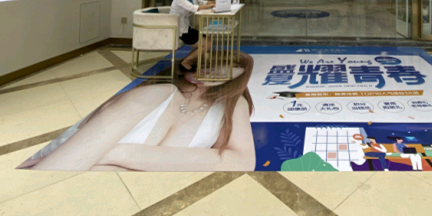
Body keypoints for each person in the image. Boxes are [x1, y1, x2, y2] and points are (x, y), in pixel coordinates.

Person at [22, 54, 256, 172]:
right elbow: (53, 171)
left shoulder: (230, 105)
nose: (210, 74)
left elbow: (243, 161)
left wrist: (119, 154)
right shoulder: (155, 95)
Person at [170, 0, 215, 72]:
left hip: (187, 27)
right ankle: (185, 62)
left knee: (208, 40)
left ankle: (187, 60)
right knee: (206, 45)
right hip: (180, 30)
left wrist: (215, 2)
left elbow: (202, 2)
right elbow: (194, 8)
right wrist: (211, 5)